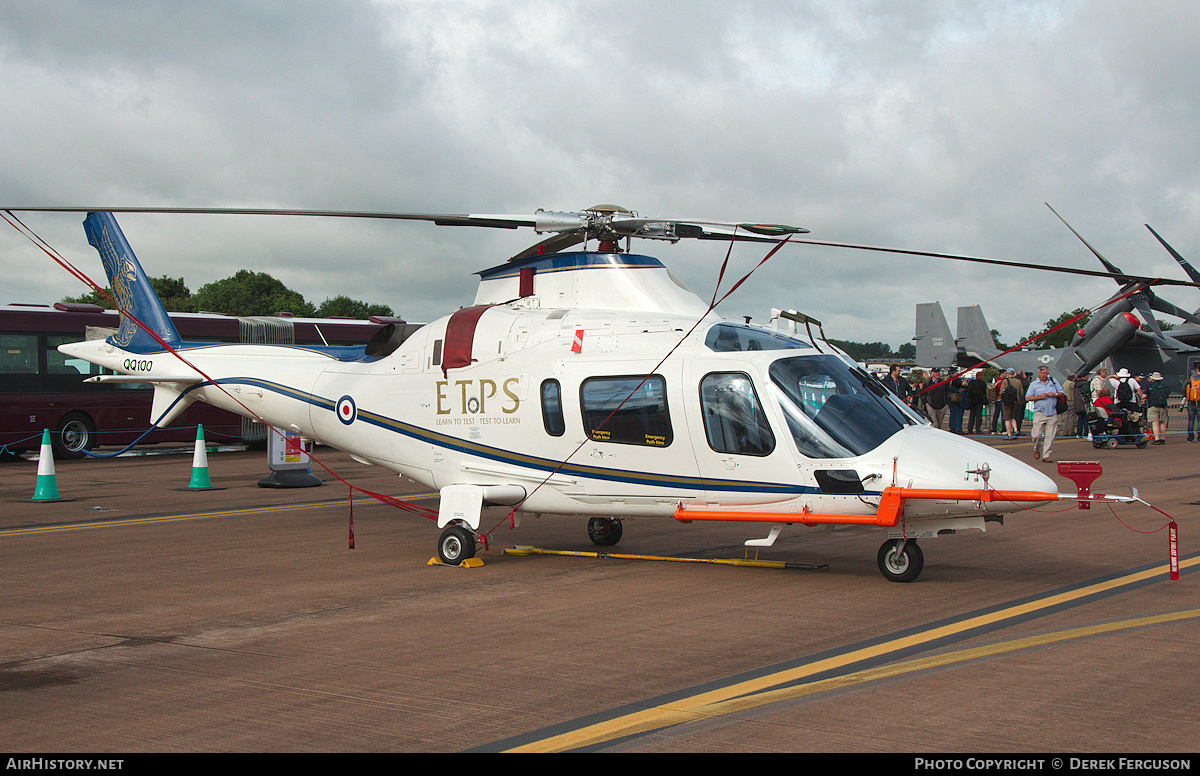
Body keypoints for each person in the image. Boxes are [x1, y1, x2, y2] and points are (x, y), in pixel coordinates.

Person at [1026, 365, 1064, 462]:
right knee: (1036, 435)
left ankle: (1046, 455)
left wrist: (1055, 394)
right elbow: (1028, 397)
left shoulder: (1053, 381)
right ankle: (1036, 449)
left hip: (1052, 412)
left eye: (1045, 373)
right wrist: (1039, 397)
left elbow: (1061, 392)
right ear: (1038, 373)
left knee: (1050, 436)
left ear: (1048, 373)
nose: (1043, 375)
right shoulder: (1034, 384)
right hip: (1040, 412)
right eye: (1041, 373)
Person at [1145, 371, 1170, 445]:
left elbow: (1144, 395)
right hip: (1163, 406)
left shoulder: (1150, 386)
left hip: (1152, 406)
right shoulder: (1165, 385)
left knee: (1155, 423)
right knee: (1162, 422)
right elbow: (1169, 395)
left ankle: (1157, 438)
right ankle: (1163, 438)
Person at [999, 368, 1024, 439]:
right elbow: (1021, 392)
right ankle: (1016, 430)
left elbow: (1001, 392)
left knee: (1007, 419)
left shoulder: (1005, 381)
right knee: (1013, 417)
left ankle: (1009, 435)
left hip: (1007, 403)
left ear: (1008, 373)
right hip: (1015, 401)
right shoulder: (1018, 382)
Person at [1073, 371, 1091, 438]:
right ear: (1086, 376)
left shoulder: (1075, 384)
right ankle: (1085, 434)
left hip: (1077, 404)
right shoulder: (1086, 384)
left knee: (1080, 419)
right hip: (1084, 404)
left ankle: (1078, 433)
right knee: (1086, 419)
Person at [1186, 363, 1200, 443]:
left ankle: (1190, 438)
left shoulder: (1191, 377)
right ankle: (1199, 438)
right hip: (1199, 402)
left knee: (1191, 421)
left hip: (1191, 402)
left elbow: (1184, 387)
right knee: (1199, 421)